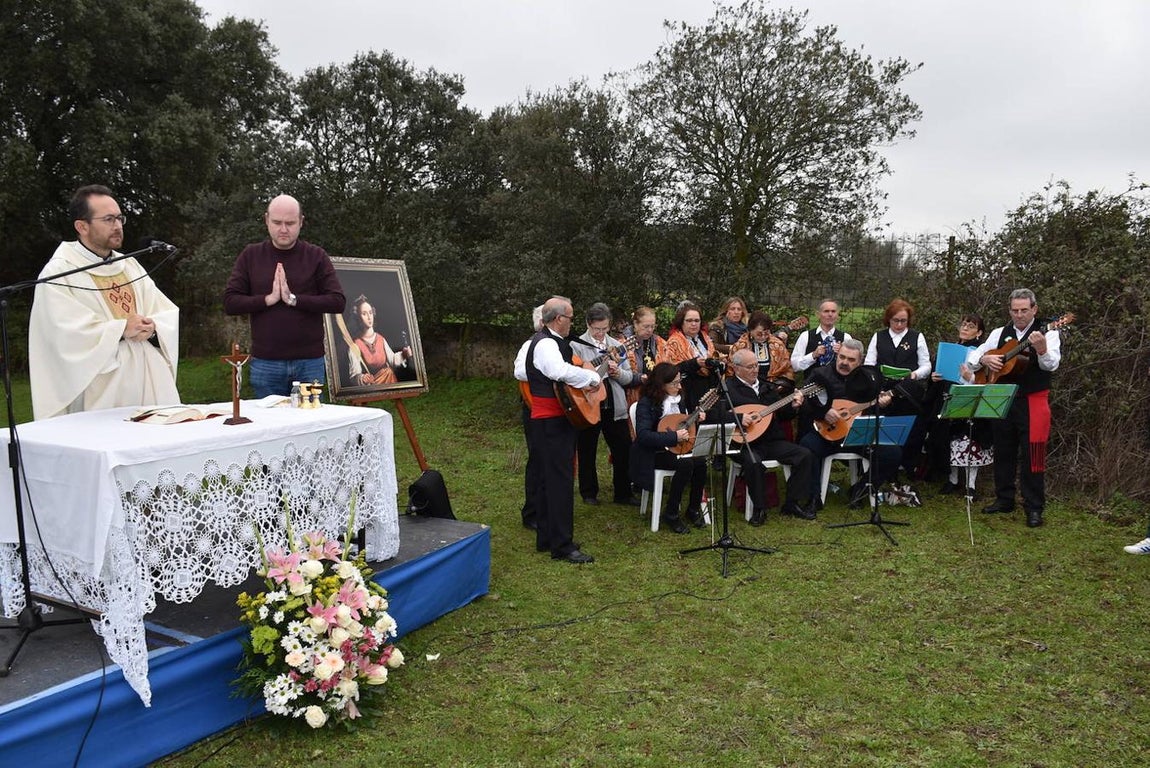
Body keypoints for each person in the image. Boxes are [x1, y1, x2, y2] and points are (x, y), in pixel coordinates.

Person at [29, 184, 180, 420]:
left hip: (150, 381)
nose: (118, 226)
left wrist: (152, 328)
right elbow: (61, 333)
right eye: (108, 219)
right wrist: (121, 328)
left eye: (120, 218)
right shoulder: (60, 271)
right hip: (101, 387)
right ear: (82, 226)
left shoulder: (129, 265)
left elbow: (164, 311)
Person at [223, 194, 345, 397]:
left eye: (290, 223)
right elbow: (230, 302)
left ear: (301, 222)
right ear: (266, 220)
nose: (283, 229)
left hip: (310, 363)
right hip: (266, 363)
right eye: (277, 222)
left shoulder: (316, 256)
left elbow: (337, 301)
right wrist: (267, 299)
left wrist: (294, 300)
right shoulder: (251, 255)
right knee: (271, 427)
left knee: (312, 426)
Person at [968, 288, 1061, 528]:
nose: (1019, 315)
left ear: (1034, 309)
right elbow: (974, 356)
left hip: (1033, 398)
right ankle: (1004, 499)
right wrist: (984, 359)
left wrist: (1041, 349)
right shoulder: (1000, 332)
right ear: (1009, 310)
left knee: (1034, 454)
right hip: (1003, 397)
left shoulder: (1047, 331)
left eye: (1024, 310)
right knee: (1003, 449)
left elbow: (1051, 365)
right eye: (1015, 310)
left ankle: (1034, 507)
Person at [524, 297, 601, 563]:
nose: (571, 323)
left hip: (552, 420)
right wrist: (590, 377)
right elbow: (557, 371)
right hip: (551, 420)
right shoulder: (545, 342)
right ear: (558, 319)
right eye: (570, 318)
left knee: (549, 481)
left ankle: (548, 537)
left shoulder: (550, 341)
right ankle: (562, 545)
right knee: (559, 482)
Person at [798, 339, 904, 509]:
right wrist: (823, 412)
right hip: (827, 435)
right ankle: (813, 498)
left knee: (893, 453)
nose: (844, 363)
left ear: (860, 361)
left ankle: (859, 491)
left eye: (851, 360)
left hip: (856, 436)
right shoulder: (820, 374)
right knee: (807, 447)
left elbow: (872, 408)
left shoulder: (868, 378)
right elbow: (803, 402)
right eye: (842, 357)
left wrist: (883, 404)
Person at [725, 349, 816, 524]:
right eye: (750, 366)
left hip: (771, 440)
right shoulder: (728, 389)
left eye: (757, 365)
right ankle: (759, 509)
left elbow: (782, 414)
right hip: (744, 443)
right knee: (754, 463)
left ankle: (792, 503)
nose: (755, 370)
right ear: (736, 368)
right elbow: (713, 414)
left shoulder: (766, 386)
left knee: (804, 455)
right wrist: (738, 418)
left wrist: (794, 406)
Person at [630, 363, 709, 533]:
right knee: (685, 464)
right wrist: (673, 437)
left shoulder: (680, 400)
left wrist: (695, 419)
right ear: (661, 384)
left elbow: (681, 423)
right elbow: (643, 435)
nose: (679, 386)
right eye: (674, 383)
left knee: (701, 462)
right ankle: (671, 513)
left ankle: (693, 508)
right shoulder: (647, 403)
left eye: (679, 382)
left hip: (676, 448)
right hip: (653, 452)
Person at [573, 303, 639, 506]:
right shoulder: (577, 345)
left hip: (614, 404)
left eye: (605, 328)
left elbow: (629, 378)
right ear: (588, 324)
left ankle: (623, 493)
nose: (601, 333)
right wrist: (600, 369)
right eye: (597, 329)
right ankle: (589, 492)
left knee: (622, 448)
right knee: (587, 449)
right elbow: (575, 375)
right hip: (589, 403)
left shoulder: (617, 344)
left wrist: (617, 372)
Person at [863, 299, 932, 476]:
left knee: (909, 429)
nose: (900, 324)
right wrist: (876, 387)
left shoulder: (917, 337)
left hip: (907, 392)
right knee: (882, 429)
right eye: (896, 320)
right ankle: (883, 467)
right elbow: (869, 364)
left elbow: (926, 365)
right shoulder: (879, 336)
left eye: (903, 321)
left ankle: (906, 467)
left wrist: (914, 375)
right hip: (882, 391)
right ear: (888, 319)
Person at [927, 314, 994, 496]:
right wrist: (934, 377)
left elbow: (986, 382)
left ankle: (970, 485)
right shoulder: (951, 349)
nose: (965, 328)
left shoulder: (982, 354)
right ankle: (952, 479)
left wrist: (969, 378)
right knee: (947, 437)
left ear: (979, 332)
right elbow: (939, 373)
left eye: (970, 326)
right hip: (949, 396)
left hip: (971, 400)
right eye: (963, 324)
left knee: (969, 438)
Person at [513, 304, 547, 531]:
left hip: (556, 409)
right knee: (537, 458)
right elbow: (519, 371)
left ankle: (547, 507)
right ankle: (531, 512)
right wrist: (548, 371)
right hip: (535, 407)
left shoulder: (560, 345)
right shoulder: (530, 345)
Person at [659, 301, 718, 411]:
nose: (693, 324)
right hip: (686, 391)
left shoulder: (705, 339)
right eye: (689, 321)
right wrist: (694, 363)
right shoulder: (674, 342)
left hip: (708, 390)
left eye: (696, 321)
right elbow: (670, 370)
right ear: (682, 322)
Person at [346, 294, 412, 385]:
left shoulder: (381, 339)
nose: (369, 317)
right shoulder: (355, 346)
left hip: (389, 381)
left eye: (370, 312)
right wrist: (362, 378)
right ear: (358, 317)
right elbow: (354, 375)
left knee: (388, 372)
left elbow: (392, 360)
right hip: (371, 387)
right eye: (364, 314)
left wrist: (403, 354)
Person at [730, 310, 795, 389]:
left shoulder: (778, 345)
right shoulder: (739, 348)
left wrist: (780, 384)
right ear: (750, 330)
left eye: (766, 333)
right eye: (759, 334)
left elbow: (787, 369)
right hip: (745, 389)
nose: (763, 337)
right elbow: (731, 372)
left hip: (773, 388)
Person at [790, 298, 854, 375]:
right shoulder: (805, 336)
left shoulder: (846, 338)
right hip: (811, 384)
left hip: (837, 385)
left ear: (837, 315)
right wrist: (813, 356)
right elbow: (794, 366)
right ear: (818, 314)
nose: (830, 314)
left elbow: (852, 367)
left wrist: (841, 355)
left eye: (833, 311)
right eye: (826, 311)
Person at [622, 306, 666, 407]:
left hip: (658, 395)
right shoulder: (623, 344)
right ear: (635, 324)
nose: (650, 330)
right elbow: (620, 374)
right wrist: (639, 378)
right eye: (646, 326)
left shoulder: (660, 342)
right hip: (633, 396)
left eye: (652, 326)